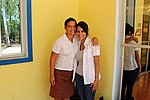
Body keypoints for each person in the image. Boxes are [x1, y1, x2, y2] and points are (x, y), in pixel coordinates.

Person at [49, 17, 99, 100]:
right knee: (58, 97)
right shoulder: (59, 41)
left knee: (68, 96)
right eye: (69, 26)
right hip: (59, 73)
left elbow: (86, 38)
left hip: (71, 74)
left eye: (74, 26)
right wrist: (51, 75)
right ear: (65, 28)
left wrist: (95, 38)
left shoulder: (77, 40)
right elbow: (52, 59)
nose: (72, 29)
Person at [72, 21, 101, 100]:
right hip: (78, 76)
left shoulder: (93, 44)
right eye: (78, 31)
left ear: (86, 32)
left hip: (89, 78)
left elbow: (97, 63)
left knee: (89, 98)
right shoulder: (77, 43)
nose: (80, 34)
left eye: (82, 31)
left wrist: (96, 80)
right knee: (81, 98)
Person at [121, 23, 141, 100]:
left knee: (122, 85)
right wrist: (139, 66)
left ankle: (121, 97)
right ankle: (128, 97)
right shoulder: (133, 42)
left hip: (123, 68)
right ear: (130, 32)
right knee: (130, 86)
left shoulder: (121, 40)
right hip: (132, 68)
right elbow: (137, 56)